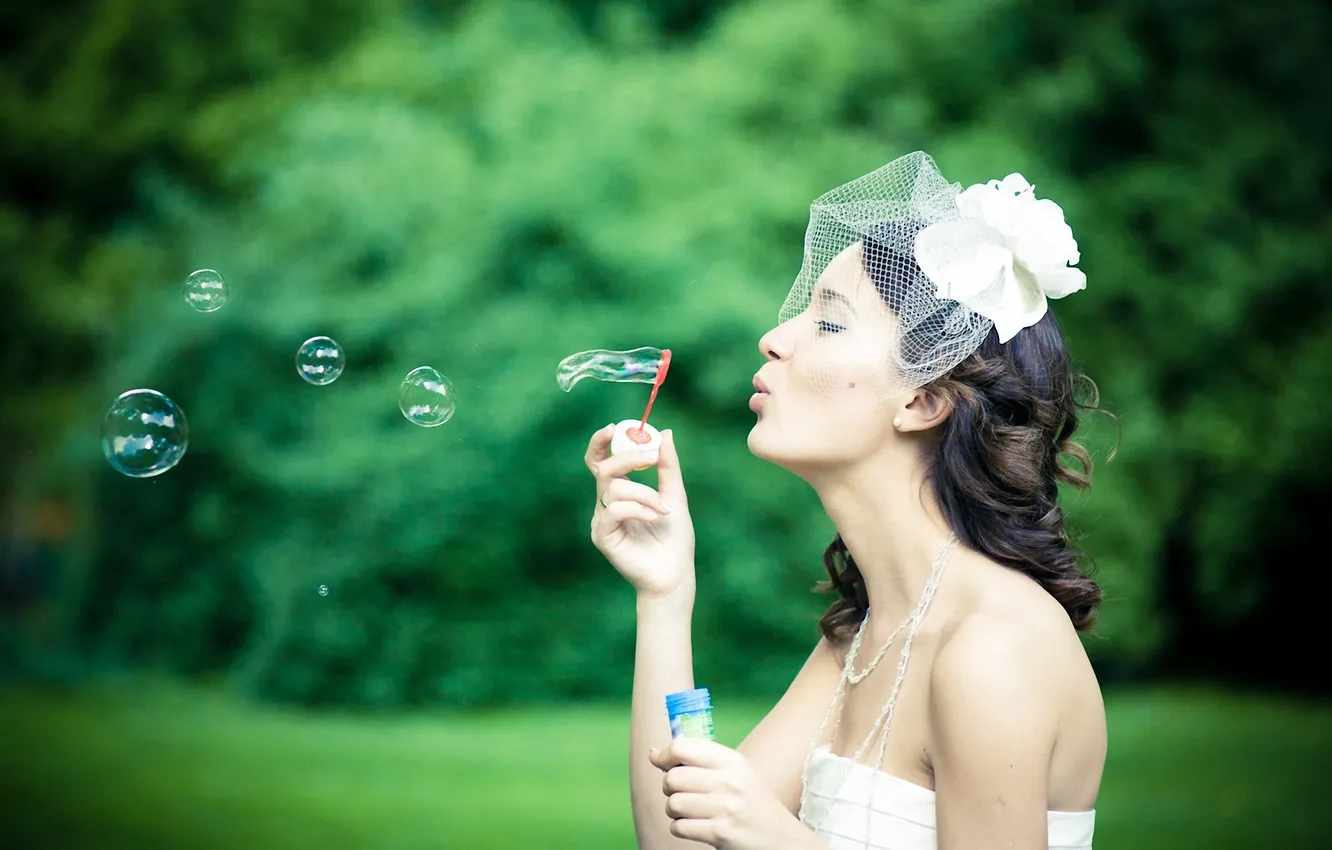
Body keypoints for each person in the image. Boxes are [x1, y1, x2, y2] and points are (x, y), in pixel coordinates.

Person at [585, 151, 1106, 850]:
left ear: (922, 400)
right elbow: (680, 845)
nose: (774, 339)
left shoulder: (995, 645)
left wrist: (777, 839)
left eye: (828, 323)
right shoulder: (862, 640)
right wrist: (666, 594)